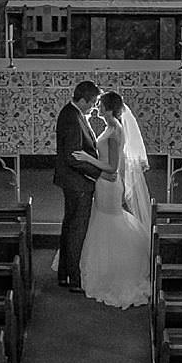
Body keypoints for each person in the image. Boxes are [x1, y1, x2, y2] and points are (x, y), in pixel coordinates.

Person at [79, 90, 152, 309]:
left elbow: (112, 166)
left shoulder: (115, 131)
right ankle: (107, 266)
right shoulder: (110, 128)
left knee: (110, 221)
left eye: (101, 105)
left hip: (109, 184)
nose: (98, 108)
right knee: (103, 220)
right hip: (104, 183)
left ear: (110, 109)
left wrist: (87, 159)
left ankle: (114, 269)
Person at [50, 80, 109, 292]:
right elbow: (72, 157)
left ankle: (65, 274)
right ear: (82, 100)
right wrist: (98, 173)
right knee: (76, 232)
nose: (94, 107)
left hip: (73, 182)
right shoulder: (72, 119)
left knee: (69, 228)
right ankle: (75, 280)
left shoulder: (71, 113)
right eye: (92, 103)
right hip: (78, 184)